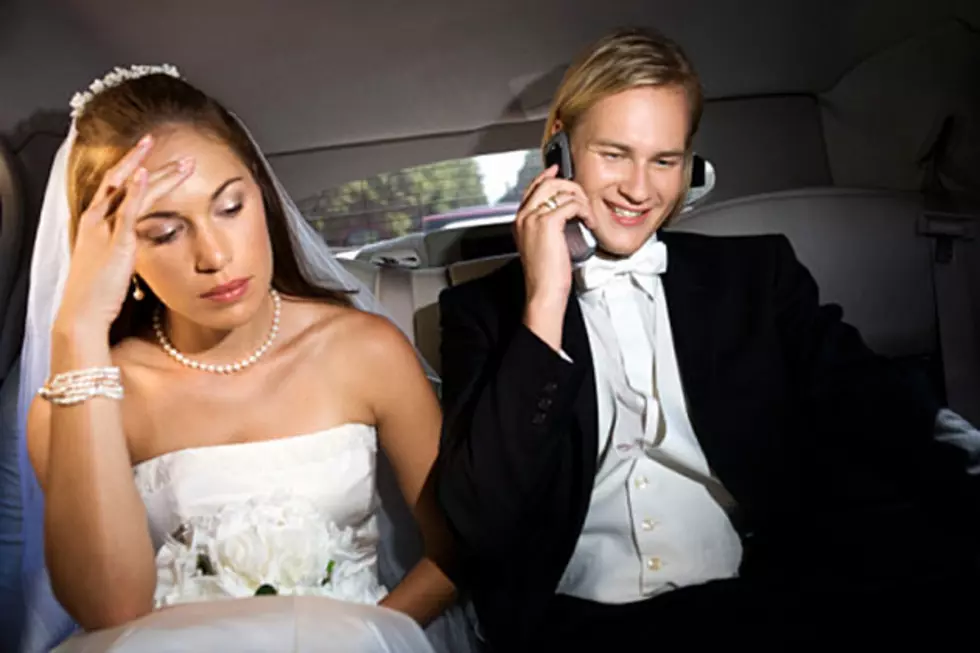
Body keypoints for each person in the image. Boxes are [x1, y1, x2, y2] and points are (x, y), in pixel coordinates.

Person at [434, 27, 980, 651]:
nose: (640, 190)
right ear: (559, 146)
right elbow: (477, 519)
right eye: (615, 154)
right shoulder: (481, 312)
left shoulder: (757, 276)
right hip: (572, 625)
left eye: (664, 160)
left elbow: (879, 400)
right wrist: (546, 300)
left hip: (757, 602)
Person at [16, 65, 479, 653]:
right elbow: (112, 612)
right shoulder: (79, 400)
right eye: (164, 233)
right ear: (117, 253)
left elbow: (457, 552)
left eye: (230, 207)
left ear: (261, 192)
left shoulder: (366, 350)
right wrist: (79, 330)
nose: (213, 255)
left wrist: (360, 637)